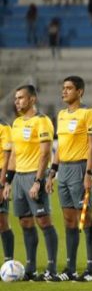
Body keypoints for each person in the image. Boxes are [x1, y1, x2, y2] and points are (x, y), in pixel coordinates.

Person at [46, 76, 92, 282]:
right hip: (64, 171)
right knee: (69, 220)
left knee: (85, 219)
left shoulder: (88, 113)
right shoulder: (60, 115)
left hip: (80, 168)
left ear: (80, 92)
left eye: (69, 88)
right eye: (63, 88)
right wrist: (52, 173)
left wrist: (89, 173)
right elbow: (60, 146)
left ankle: (91, 270)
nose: (64, 91)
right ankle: (70, 269)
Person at [3, 85, 60, 281]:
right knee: (25, 223)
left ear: (32, 99)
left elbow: (45, 153)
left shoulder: (42, 121)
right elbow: (14, 155)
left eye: (21, 98)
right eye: (16, 98)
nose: (17, 101)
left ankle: (51, 268)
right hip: (18, 177)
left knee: (44, 222)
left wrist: (38, 181)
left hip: (34, 177)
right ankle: (31, 268)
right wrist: (8, 181)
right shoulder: (17, 123)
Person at [0, 117, 13, 262]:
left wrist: (2, 183)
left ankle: (8, 262)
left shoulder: (4, 127)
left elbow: (7, 156)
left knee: (2, 220)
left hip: (0, 174)